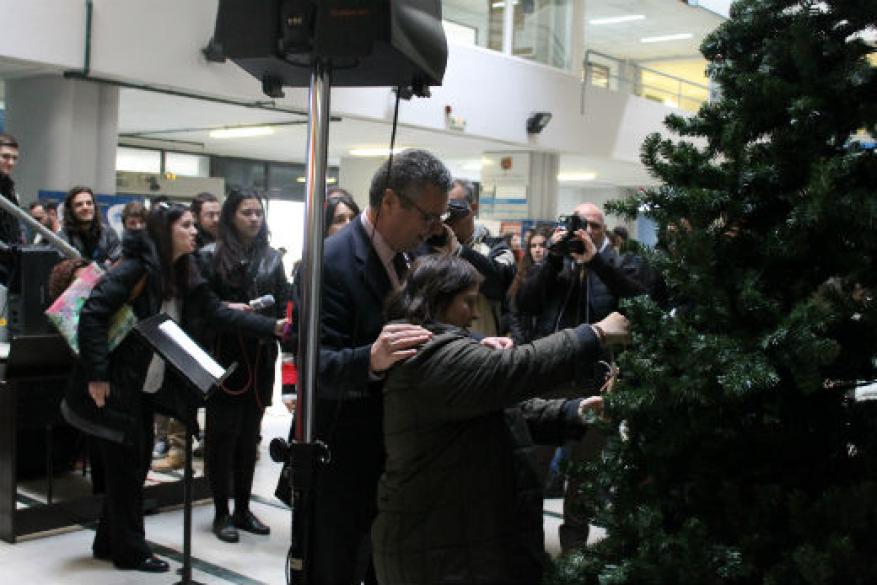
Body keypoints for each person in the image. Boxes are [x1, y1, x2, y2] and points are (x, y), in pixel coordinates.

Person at [372, 254, 630, 585]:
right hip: (437, 545)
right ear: (438, 299)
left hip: (452, 537)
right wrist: (594, 334)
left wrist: (574, 411)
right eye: (467, 301)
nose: (476, 312)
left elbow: (503, 409)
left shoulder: (435, 348)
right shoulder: (428, 354)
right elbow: (514, 369)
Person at [63, 203, 286, 573]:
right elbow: (93, 313)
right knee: (128, 468)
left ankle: (108, 542)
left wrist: (272, 328)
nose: (194, 231)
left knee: (129, 467)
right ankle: (130, 551)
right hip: (118, 384)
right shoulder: (137, 267)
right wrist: (97, 375)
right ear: (166, 231)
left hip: (145, 385)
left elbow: (216, 312)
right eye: (186, 226)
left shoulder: (184, 271)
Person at [313, 149, 450, 584]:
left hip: (397, 455)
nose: (433, 231)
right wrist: (371, 358)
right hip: (343, 462)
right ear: (390, 201)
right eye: (428, 217)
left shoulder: (410, 259)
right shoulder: (330, 262)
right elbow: (318, 367)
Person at [514, 202, 646, 551]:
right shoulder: (554, 264)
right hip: (549, 380)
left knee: (583, 475)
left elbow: (638, 301)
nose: (585, 232)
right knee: (534, 466)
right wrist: (554, 259)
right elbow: (525, 304)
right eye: (578, 225)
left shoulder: (618, 264)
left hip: (595, 380)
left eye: (593, 226)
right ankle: (525, 546)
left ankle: (573, 549)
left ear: (604, 232)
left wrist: (596, 262)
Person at [200, 189, 290, 543]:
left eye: (258, 212)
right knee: (222, 438)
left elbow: (283, 300)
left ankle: (242, 508)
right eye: (246, 212)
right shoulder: (210, 256)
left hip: (261, 358)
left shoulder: (271, 257)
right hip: (225, 359)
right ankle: (222, 512)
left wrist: (281, 323)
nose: (254, 218)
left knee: (248, 437)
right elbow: (207, 312)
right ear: (230, 216)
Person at [432, 178, 516, 337]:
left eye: (455, 207)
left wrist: (457, 250)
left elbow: (500, 283)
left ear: (474, 208)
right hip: (440, 344)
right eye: (444, 208)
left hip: (483, 344)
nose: (449, 216)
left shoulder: (496, 248)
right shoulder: (429, 245)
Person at [58, 186, 121, 265]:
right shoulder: (63, 237)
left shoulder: (109, 233)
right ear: (71, 210)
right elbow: (65, 267)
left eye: (89, 203)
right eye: (79, 204)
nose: (85, 207)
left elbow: (117, 262)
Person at [0, 133, 25, 282]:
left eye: (14, 158)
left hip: (8, 262)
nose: (11, 162)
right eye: (5, 156)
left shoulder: (10, 189)